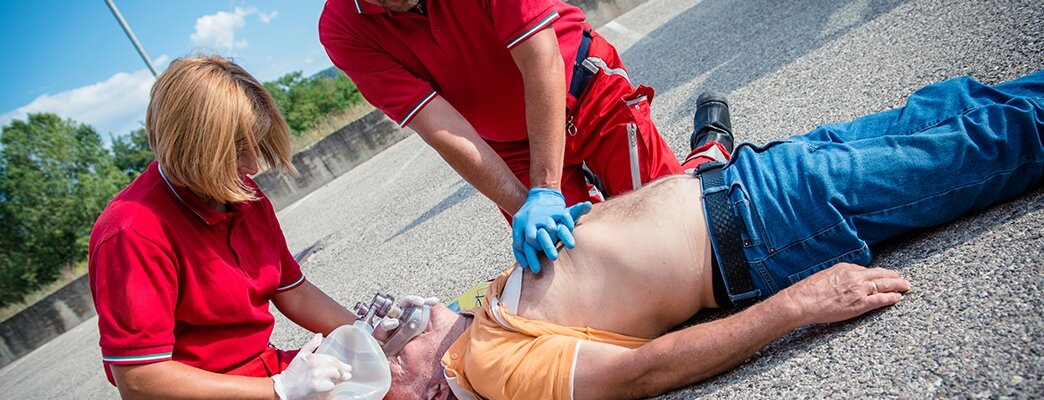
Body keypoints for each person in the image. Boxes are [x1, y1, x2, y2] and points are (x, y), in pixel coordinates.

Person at [379, 71, 1044, 400]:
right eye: (386, 356)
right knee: (996, 141)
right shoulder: (492, 370)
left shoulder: (478, 319)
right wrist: (799, 306)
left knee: (956, 106)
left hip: (748, 181)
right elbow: (641, 371)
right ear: (422, 392)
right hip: (770, 225)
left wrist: (423, 315)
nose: (383, 328)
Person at [318, 0, 715, 272]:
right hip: (508, 146)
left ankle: (709, 150)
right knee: (577, 266)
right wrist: (528, 207)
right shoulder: (342, 28)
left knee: (678, 233)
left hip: (584, 91)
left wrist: (546, 189)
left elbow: (540, 57)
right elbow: (441, 127)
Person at [89, 55, 364, 400]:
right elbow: (140, 378)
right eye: (236, 151)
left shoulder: (239, 193)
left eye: (255, 144)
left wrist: (366, 334)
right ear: (190, 148)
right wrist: (279, 390)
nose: (252, 166)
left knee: (400, 367)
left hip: (266, 372)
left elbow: (294, 292)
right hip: (216, 391)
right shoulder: (131, 233)